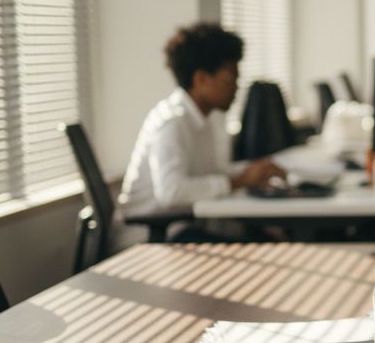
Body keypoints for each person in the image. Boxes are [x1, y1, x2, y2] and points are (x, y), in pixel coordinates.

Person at [120, 23, 284, 221]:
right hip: (151, 234)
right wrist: (239, 181)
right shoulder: (172, 122)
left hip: (181, 228)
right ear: (201, 79)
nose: (235, 89)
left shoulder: (203, 118)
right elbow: (172, 192)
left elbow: (208, 173)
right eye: (230, 81)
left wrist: (252, 170)